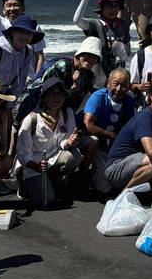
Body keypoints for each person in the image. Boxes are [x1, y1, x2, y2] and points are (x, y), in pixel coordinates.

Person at [14, 77, 97, 207]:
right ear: (45, 97)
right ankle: (24, 185)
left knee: (73, 156)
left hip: (53, 158)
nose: (56, 98)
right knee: (46, 200)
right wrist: (36, 166)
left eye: (60, 94)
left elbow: (64, 143)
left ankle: (54, 181)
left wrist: (69, 142)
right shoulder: (32, 119)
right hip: (33, 163)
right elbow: (22, 152)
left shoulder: (67, 113)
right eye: (52, 94)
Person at [81, 68, 136, 193]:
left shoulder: (129, 101)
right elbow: (88, 126)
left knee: (107, 184)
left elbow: (129, 128)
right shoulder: (98, 97)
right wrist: (110, 135)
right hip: (88, 138)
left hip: (110, 143)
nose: (119, 89)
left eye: (123, 85)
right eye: (116, 84)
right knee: (94, 141)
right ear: (108, 83)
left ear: (129, 87)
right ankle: (82, 180)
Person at [0, 14, 43, 110]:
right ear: (12, 31)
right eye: (21, 31)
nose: (25, 36)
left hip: (2, 95)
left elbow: (20, 82)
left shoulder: (27, 51)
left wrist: (9, 107)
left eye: (29, 33)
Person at [74, 0, 132, 84]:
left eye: (116, 6)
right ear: (102, 8)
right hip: (98, 80)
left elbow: (128, 50)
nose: (113, 9)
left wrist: (121, 48)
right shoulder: (95, 24)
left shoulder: (122, 24)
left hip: (117, 80)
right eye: (109, 6)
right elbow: (77, 20)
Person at [28, 36, 101, 114]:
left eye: (95, 57)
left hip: (66, 115)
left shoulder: (89, 76)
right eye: (88, 55)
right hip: (42, 112)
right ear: (79, 54)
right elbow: (47, 94)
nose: (91, 59)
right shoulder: (61, 67)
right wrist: (73, 88)